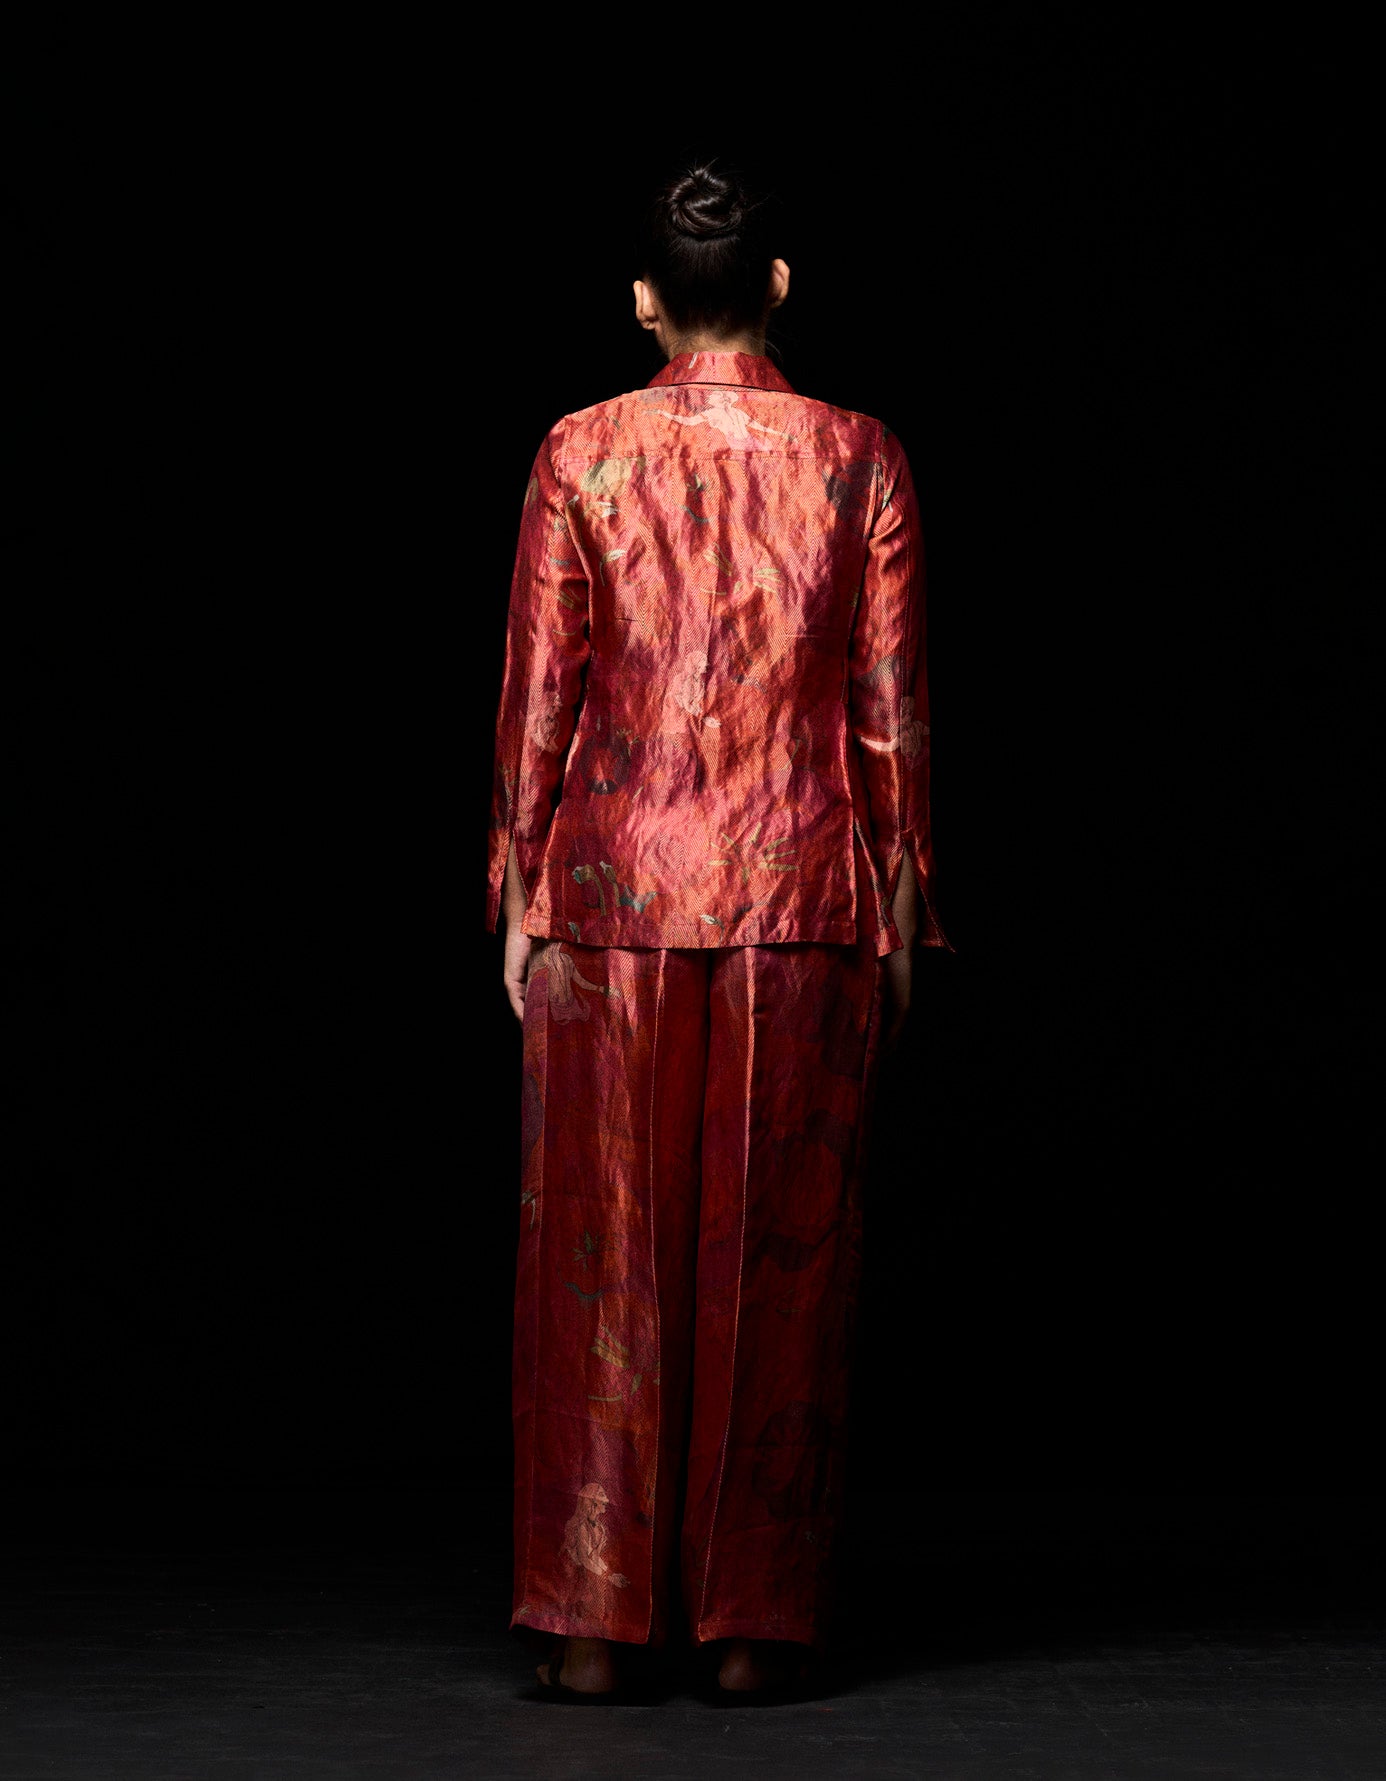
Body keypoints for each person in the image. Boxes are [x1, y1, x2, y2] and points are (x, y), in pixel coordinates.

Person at [484, 159, 950, 1702]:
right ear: (778, 286)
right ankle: (750, 1626)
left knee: (599, 1262)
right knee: (779, 1262)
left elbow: (539, 697)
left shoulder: (578, 451)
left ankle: (593, 1621)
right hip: (799, 886)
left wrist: (517, 890)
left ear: (641, 301)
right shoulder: (857, 457)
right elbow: (888, 707)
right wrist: (899, 904)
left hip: (611, 888)